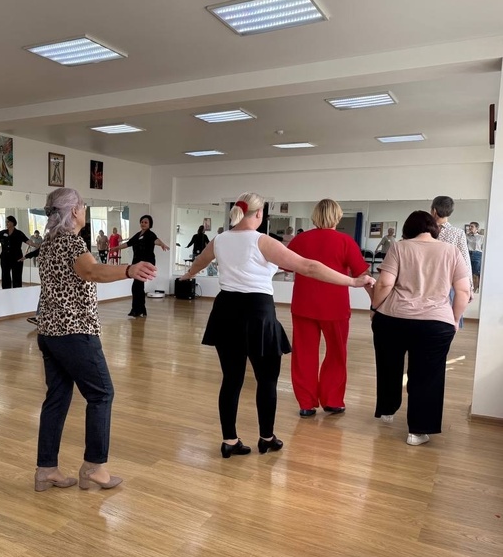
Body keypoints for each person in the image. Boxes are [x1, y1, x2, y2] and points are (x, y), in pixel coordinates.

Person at [179, 193, 373, 459]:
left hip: (225, 310)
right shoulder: (262, 241)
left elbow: (202, 259)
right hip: (257, 312)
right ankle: (266, 438)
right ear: (259, 214)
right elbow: (309, 267)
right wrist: (352, 282)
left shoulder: (220, 239)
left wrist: (188, 274)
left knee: (231, 380)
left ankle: (230, 440)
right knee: (267, 379)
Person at [34, 187, 157, 492]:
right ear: (75, 211)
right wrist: (129, 269)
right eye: (84, 206)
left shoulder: (48, 243)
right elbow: (92, 271)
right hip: (75, 332)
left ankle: (46, 469)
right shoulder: (71, 242)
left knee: (57, 398)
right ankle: (94, 467)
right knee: (101, 394)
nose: (85, 211)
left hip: (50, 332)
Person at [370, 211, 470, 446]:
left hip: (393, 318)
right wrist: (454, 319)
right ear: (434, 229)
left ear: (407, 229)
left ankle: (387, 410)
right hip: (435, 323)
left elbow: (384, 283)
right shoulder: (451, 251)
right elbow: (464, 291)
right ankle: (417, 431)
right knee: (427, 375)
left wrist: (374, 308)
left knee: (388, 366)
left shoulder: (399, 247)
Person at [286, 199, 371, 417]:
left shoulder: (300, 240)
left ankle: (306, 403)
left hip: (304, 305)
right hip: (335, 307)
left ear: (315, 215)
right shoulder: (345, 241)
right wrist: (376, 303)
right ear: (338, 216)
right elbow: (362, 273)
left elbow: (284, 265)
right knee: (336, 353)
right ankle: (332, 400)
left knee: (303, 354)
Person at [112, 215, 170, 317]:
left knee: (136, 286)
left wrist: (163, 244)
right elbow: (128, 243)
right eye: (142, 222)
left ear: (150, 224)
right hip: (137, 263)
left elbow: (156, 240)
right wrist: (116, 248)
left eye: (145, 222)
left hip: (146, 263)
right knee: (138, 286)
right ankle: (140, 309)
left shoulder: (150, 235)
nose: (143, 224)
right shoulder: (138, 235)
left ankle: (137, 310)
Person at [430, 196, 471, 327]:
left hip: (427, 281)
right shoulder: (458, 233)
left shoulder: (425, 231)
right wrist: (469, 286)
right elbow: (465, 260)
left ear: (433, 211)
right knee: (449, 320)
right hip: (449, 281)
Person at [0, 215, 39, 289]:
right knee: (5, 277)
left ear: (12, 223)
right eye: (6, 222)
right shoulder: (3, 233)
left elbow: (28, 241)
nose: (6, 223)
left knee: (17, 278)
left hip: (17, 258)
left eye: (8, 221)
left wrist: (37, 246)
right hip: (5, 258)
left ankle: (16, 293)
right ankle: (6, 292)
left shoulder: (19, 233)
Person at [466, 221, 484, 292]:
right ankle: (468, 290)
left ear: (477, 228)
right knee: (467, 273)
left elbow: (483, 248)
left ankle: (474, 291)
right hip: (468, 254)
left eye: (472, 226)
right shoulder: (466, 236)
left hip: (477, 255)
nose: (470, 228)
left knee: (475, 273)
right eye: (469, 226)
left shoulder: (481, 237)